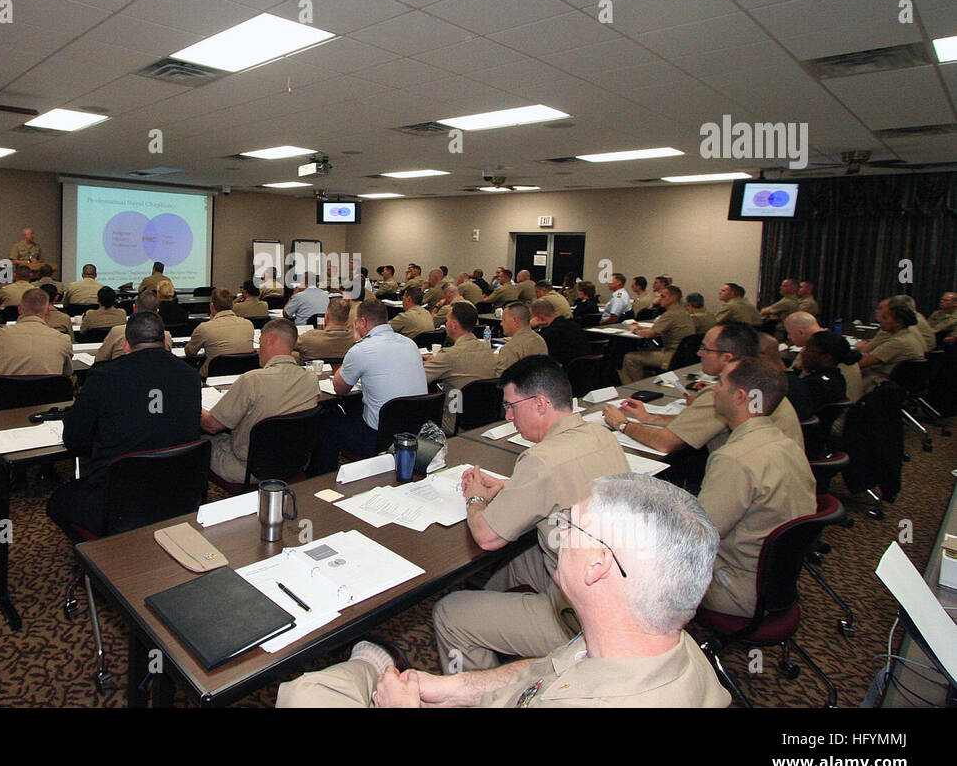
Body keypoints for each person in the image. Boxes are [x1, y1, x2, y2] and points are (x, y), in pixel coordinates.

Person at [278, 473, 729, 708]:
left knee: (305, 694)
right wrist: (451, 688)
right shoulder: (652, 641)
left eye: (571, 526)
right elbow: (547, 670)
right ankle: (370, 671)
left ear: (598, 567)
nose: (558, 533)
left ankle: (367, 671)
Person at [431, 356, 628, 670]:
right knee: (519, 560)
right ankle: (492, 621)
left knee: (449, 610)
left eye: (511, 406)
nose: (508, 416)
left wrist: (476, 499)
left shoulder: (541, 460)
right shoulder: (601, 436)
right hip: (619, 590)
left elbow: (486, 537)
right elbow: (569, 484)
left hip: (584, 622)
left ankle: (487, 690)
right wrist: (513, 487)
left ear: (539, 403)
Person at [47, 312, 201, 539]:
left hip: (116, 502)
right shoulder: (190, 376)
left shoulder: (103, 377)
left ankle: (100, 563)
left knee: (58, 501)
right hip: (178, 496)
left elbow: (75, 439)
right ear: (166, 343)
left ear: (126, 345)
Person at [697, 357, 816, 618]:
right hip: (775, 582)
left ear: (740, 397)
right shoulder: (787, 446)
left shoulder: (735, 459)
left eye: (720, 383)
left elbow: (697, 536)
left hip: (736, 589)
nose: (714, 388)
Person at [601, 322, 805, 455]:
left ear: (727, 358)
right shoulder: (757, 380)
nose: (699, 354)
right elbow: (700, 421)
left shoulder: (727, 393)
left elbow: (665, 443)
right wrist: (649, 418)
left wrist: (623, 425)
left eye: (706, 349)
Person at [309, 299, 426, 475]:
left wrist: (356, 344)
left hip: (377, 436)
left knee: (326, 422)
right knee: (355, 407)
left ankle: (321, 478)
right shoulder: (410, 344)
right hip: (413, 430)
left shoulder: (362, 349)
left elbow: (339, 388)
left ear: (362, 322)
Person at [202, 319, 321, 486]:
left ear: (270, 340)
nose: (258, 350)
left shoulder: (252, 380)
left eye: (260, 343)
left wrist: (194, 405)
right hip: (293, 463)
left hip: (247, 469)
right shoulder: (311, 379)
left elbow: (212, 425)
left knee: (201, 442)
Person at [0, 288, 73, 380]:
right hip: (48, 404)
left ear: (20, 310)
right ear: (48, 311)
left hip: (5, 404)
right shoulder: (63, 339)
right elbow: (66, 374)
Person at [422, 302, 497, 432]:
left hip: (452, 420)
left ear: (454, 325)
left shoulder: (450, 355)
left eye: (447, 320)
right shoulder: (488, 351)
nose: (445, 324)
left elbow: (418, 378)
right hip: (483, 419)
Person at [620, 284, 694, 383]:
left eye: (663, 297)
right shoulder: (683, 312)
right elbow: (659, 328)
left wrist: (635, 330)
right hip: (684, 354)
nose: (660, 299)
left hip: (671, 355)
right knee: (644, 350)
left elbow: (650, 334)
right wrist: (641, 328)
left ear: (673, 298)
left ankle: (634, 387)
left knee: (630, 357)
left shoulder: (670, 314)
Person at [855, 297, 926, 389]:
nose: (880, 320)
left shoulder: (899, 342)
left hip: (884, 384)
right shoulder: (907, 335)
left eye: (885, 318)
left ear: (898, 322)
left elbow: (863, 362)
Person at [186, 287, 255, 376]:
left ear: (212, 306)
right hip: (243, 375)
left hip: (211, 377)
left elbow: (189, 352)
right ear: (232, 305)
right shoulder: (248, 324)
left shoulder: (205, 328)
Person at [96, 289, 173, 362]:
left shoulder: (116, 332)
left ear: (134, 308)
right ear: (157, 311)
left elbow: (99, 360)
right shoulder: (166, 336)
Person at [529, 298, 587, 367]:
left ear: (539, 318)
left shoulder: (548, 335)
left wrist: (529, 326)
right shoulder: (574, 325)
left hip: (562, 372)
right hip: (584, 371)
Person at [294, 297, 355, 363]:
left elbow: (288, 345)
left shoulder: (308, 338)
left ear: (326, 316)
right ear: (348, 319)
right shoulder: (354, 340)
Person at [495, 300, 547, 375]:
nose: (501, 323)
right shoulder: (540, 340)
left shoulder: (510, 348)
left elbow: (501, 380)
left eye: (504, 320)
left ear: (515, 321)